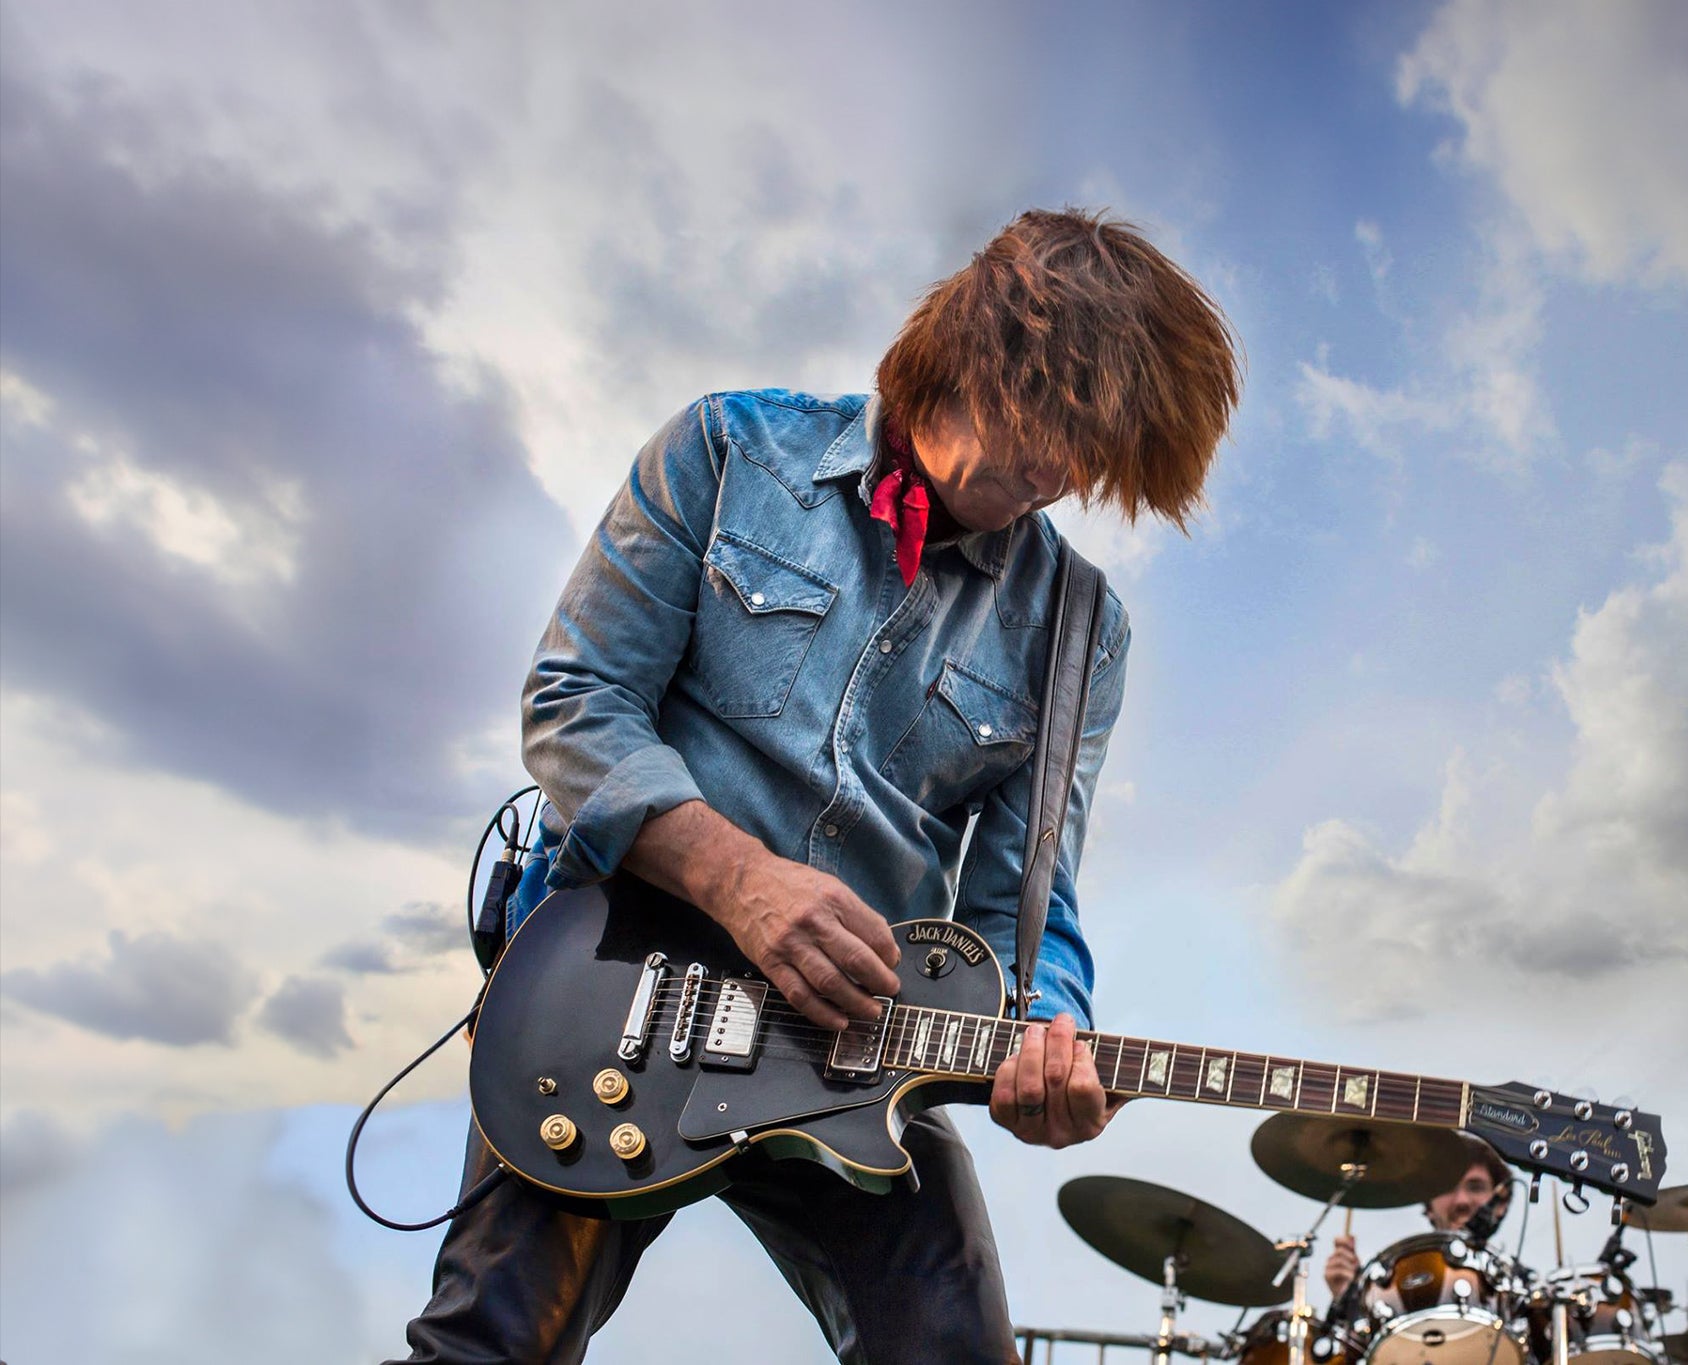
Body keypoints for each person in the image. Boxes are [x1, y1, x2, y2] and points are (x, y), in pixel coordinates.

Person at [394, 209, 1242, 1364]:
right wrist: (738, 881)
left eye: (1096, 455)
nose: (1064, 475)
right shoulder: (726, 449)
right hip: (611, 991)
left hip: (857, 1046)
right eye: (1055, 428)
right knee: (490, 1346)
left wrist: (1052, 1034)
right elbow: (575, 701)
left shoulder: (1080, 631)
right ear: (973, 357)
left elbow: (1023, 904)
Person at [1321, 1136, 1514, 1303]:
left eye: (1476, 1187)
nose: (1461, 1200)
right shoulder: (1392, 1288)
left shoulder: (1520, 1286)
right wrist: (1350, 1297)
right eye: (1447, 1187)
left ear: (1501, 1203)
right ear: (1429, 1205)